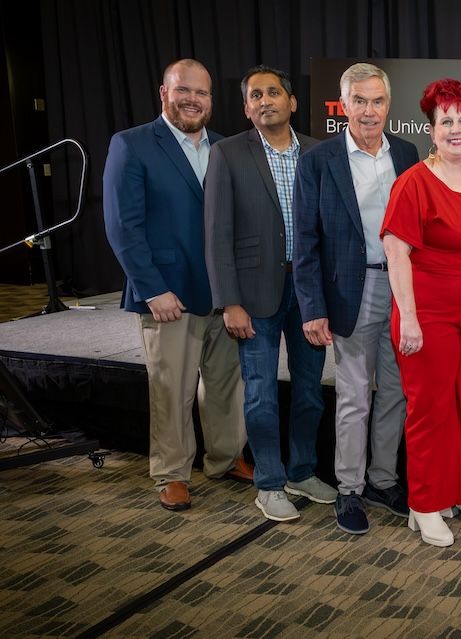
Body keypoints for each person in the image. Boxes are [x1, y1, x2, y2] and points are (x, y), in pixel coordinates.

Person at [103, 59, 251, 511]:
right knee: (172, 387)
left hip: (222, 294)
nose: (192, 99)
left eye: (201, 93)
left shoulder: (228, 147)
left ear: (211, 100)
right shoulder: (132, 145)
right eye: (183, 90)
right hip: (168, 295)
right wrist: (151, 288)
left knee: (227, 384)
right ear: (163, 92)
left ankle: (225, 459)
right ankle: (170, 473)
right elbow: (122, 226)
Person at [204, 65, 336, 522]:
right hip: (253, 295)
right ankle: (269, 481)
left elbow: (331, 230)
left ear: (292, 102)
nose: (265, 100)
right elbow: (217, 233)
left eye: (274, 92)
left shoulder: (320, 153)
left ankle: (301, 470)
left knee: (310, 392)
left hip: (309, 294)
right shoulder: (226, 154)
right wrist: (229, 300)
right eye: (255, 95)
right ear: (246, 107)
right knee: (260, 392)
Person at [293, 63, 419, 535]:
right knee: (353, 396)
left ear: (389, 105)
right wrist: (313, 307)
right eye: (359, 101)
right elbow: (304, 240)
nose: (369, 111)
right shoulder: (318, 159)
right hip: (351, 292)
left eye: (378, 101)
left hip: (403, 291)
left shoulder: (406, 153)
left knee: (395, 392)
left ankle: (382, 482)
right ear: (342, 105)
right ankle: (349, 488)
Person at [381, 78, 461, 547]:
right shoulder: (413, 182)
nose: (456, 129)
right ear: (430, 130)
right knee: (429, 410)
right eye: (446, 121)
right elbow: (397, 254)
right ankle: (425, 502)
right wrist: (408, 318)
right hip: (426, 313)